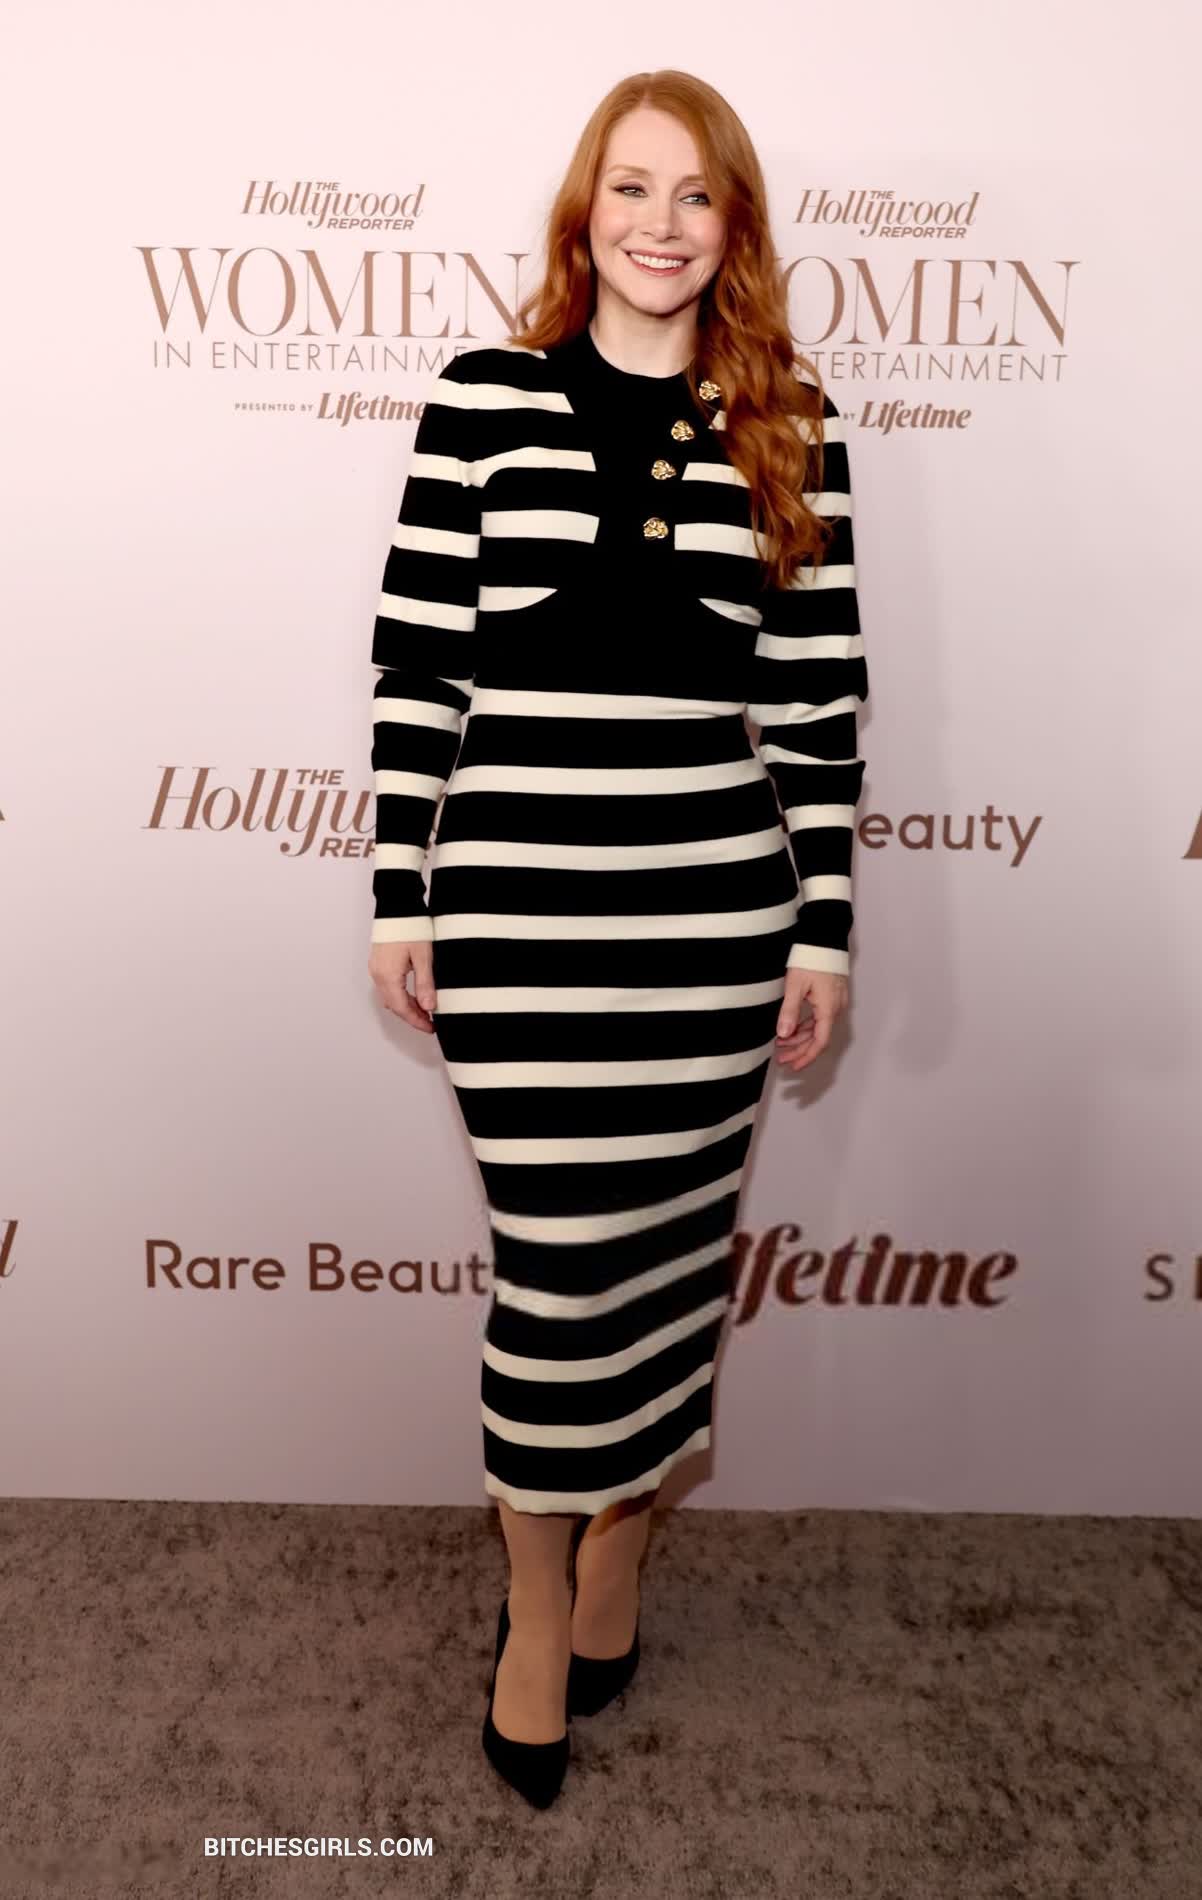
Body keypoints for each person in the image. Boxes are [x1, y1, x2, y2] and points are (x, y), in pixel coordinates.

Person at [366, 68, 868, 1807]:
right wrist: (396, 888)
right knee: (552, 1272)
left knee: (665, 1268)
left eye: (696, 194)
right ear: (586, 211)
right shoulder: (481, 401)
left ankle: (623, 1546)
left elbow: (817, 709)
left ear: (736, 227)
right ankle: (532, 1601)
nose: (662, 224)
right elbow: (420, 666)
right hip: (517, 917)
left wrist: (822, 938)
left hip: (711, 923)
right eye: (632, 188)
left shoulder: (789, 422)